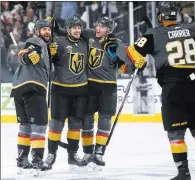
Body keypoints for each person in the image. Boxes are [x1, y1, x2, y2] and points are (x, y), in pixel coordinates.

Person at [103, 2, 195, 180]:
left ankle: (183, 173)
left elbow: (130, 54)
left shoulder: (154, 34)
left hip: (174, 88)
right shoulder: (194, 28)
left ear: (160, 15)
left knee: (176, 133)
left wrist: (114, 45)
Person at [54, 16, 141, 169]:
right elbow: (69, 33)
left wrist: (134, 65)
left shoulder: (116, 44)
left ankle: (99, 152)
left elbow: (124, 66)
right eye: (98, 25)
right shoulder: (88, 34)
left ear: (109, 30)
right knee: (87, 119)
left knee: (105, 120)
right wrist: (55, 27)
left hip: (108, 87)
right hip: (90, 85)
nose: (98, 28)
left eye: (101, 26)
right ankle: (88, 152)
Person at [10, 19, 57, 176]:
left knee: (25, 127)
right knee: (39, 126)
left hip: (19, 88)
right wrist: (28, 56)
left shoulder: (45, 47)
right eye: (43, 29)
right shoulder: (35, 41)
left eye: (48, 29)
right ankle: (37, 162)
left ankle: (22, 162)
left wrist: (50, 56)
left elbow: (48, 68)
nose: (47, 32)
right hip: (33, 87)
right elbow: (25, 53)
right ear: (37, 31)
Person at [41, 16, 89, 171]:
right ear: (68, 29)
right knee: (56, 124)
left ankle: (72, 155)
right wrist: (51, 52)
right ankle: (51, 154)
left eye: (79, 27)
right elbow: (50, 60)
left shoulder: (85, 42)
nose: (77, 30)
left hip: (80, 89)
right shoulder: (59, 42)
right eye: (74, 27)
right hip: (60, 90)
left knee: (75, 125)